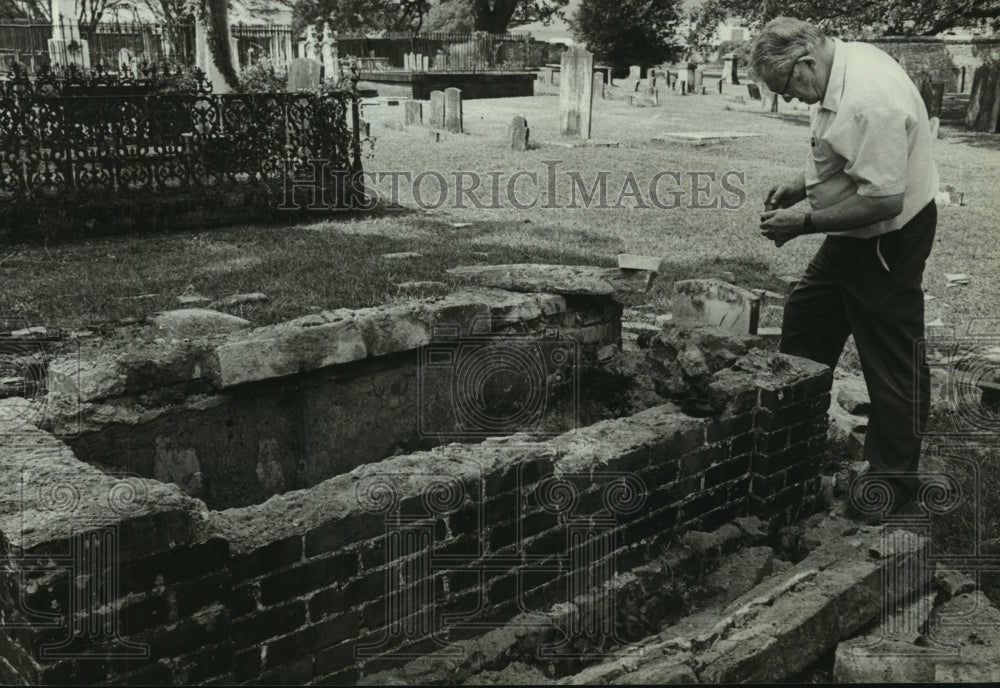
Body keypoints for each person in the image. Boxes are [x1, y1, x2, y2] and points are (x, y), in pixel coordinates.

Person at [752, 17, 939, 517]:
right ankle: (790, 448)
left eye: (787, 87)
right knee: (807, 324)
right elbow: (844, 153)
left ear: (806, 61)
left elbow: (884, 201)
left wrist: (805, 221)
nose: (791, 99)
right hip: (850, 236)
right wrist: (801, 183)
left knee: (891, 359)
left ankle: (892, 486)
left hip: (885, 239)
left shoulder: (868, 100)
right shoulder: (840, 62)